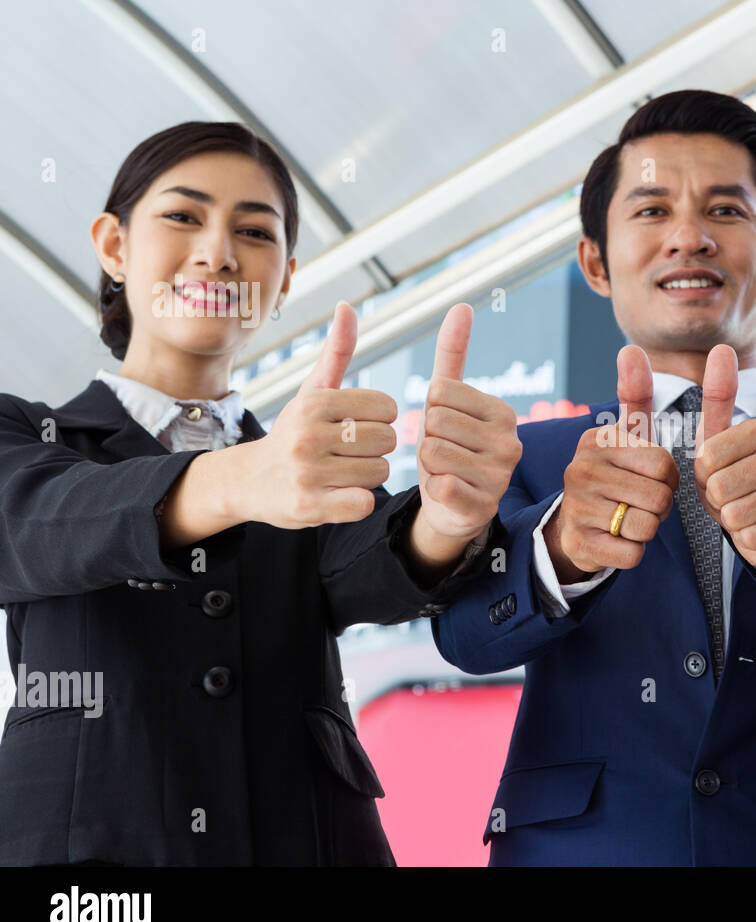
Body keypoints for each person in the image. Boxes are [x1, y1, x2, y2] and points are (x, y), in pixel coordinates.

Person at [432, 90, 756, 866]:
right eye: (651, 212)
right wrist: (561, 551)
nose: (688, 238)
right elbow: (464, 637)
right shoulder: (526, 455)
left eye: (724, 211)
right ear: (595, 260)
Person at [0, 121, 521, 865]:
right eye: (183, 217)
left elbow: (366, 559)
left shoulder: (302, 468)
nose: (217, 252)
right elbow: (34, 523)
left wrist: (446, 514)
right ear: (114, 246)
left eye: (254, 231)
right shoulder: (26, 433)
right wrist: (240, 476)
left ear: (284, 280)